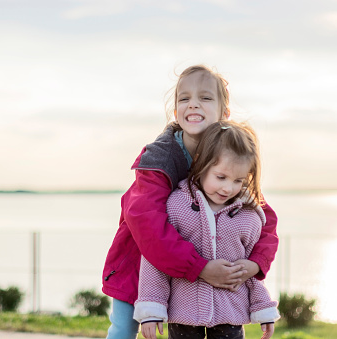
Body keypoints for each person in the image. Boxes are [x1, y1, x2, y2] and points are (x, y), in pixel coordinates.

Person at [101, 65, 279, 339]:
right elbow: (148, 227)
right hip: (140, 261)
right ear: (175, 111)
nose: (193, 104)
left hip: (192, 277)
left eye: (205, 98)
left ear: (224, 112)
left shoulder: (231, 158)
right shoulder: (157, 160)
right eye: (184, 98)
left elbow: (261, 220)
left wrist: (255, 263)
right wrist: (201, 268)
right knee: (124, 329)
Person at [134, 120, 280, 339]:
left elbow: (247, 271)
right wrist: (151, 310)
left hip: (230, 313)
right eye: (221, 177)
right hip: (183, 314)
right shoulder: (177, 206)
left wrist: (263, 308)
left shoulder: (249, 216)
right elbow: (157, 261)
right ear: (202, 164)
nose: (227, 188)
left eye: (238, 180)